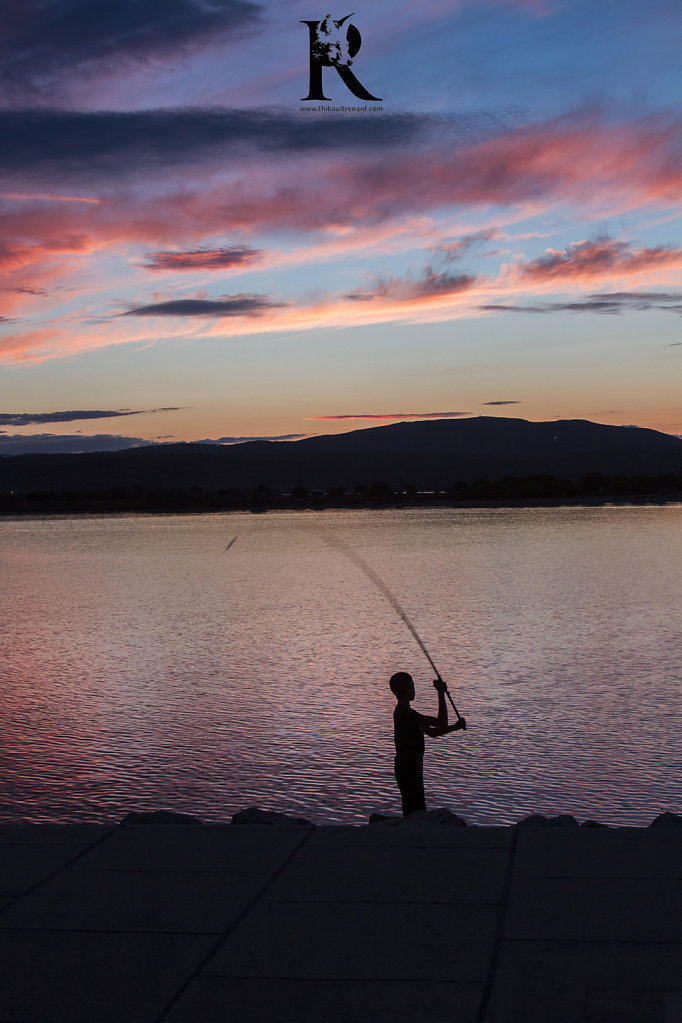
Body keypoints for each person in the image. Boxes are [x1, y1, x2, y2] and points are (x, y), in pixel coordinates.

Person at [389, 671, 466, 816]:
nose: (414, 689)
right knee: (415, 808)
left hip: (408, 766)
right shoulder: (408, 715)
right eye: (412, 685)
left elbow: (432, 732)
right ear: (408, 689)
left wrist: (455, 727)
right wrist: (441, 693)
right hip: (409, 768)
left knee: (413, 807)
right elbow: (441, 722)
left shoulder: (403, 713)